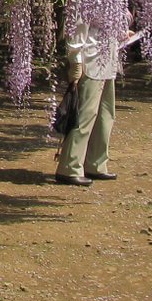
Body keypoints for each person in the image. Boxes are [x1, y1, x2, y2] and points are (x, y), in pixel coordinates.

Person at [56, 13, 141, 187]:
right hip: (91, 61)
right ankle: (69, 167)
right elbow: (77, 29)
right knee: (85, 115)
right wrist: (76, 62)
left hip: (107, 60)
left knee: (106, 115)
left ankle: (96, 163)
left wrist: (123, 33)